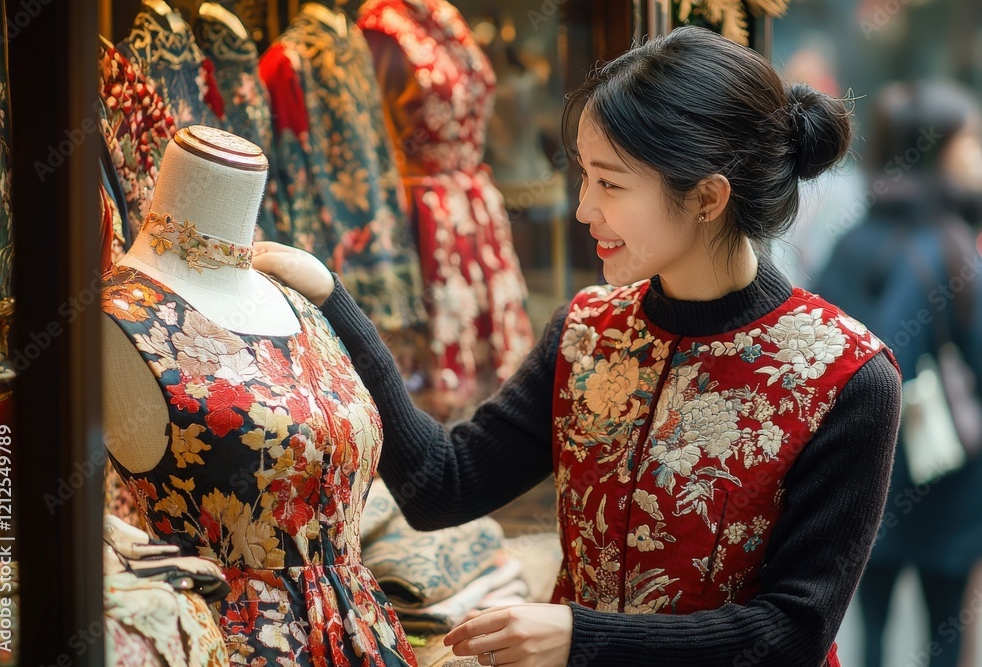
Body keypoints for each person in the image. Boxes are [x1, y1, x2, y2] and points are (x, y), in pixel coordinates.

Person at [254, 26, 902, 667]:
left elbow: (792, 631)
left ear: (707, 197)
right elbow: (440, 484)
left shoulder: (844, 377)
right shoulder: (589, 329)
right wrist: (334, 303)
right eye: (584, 177)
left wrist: (578, 637)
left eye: (611, 184)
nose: (583, 208)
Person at [814, 81, 982, 667]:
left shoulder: (851, 242)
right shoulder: (953, 246)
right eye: (970, 140)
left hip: (869, 476)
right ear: (936, 148)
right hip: (951, 481)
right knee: (945, 633)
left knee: (871, 632)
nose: (978, 154)